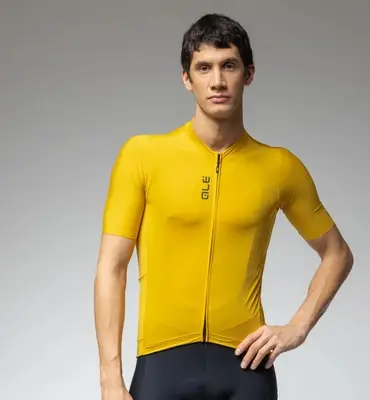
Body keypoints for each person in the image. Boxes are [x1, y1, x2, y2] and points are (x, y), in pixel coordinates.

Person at [94, 13, 354, 400]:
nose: (217, 81)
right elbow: (111, 267)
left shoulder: (279, 167)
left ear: (248, 74)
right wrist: (110, 380)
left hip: (245, 371)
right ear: (187, 78)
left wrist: (297, 328)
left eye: (229, 65)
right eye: (204, 68)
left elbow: (337, 254)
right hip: (161, 368)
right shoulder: (142, 157)